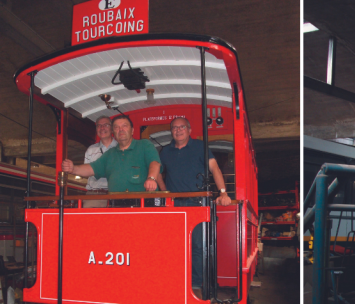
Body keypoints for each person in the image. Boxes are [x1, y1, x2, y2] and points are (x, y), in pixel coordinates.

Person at [159, 117, 231, 289]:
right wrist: (164, 193)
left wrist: (223, 192)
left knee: (198, 245)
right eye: (174, 128)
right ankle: (178, 282)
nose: (178, 130)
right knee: (175, 245)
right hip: (174, 205)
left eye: (182, 127)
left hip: (197, 203)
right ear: (171, 131)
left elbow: (214, 168)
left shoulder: (200, 147)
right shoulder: (165, 151)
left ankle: (198, 285)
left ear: (189, 130)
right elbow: (158, 173)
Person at [62, 115, 161, 195]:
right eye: (116, 127)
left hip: (144, 204)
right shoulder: (110, 154)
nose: (120, 129)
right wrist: (73, 169)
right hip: (116, 205)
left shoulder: (144, 145)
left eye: (124, 126)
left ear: (132, 130)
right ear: (113, 132)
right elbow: (92, 168)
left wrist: (151, 178)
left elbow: (155, 163)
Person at [82, 116, 117, 208]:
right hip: (94, 196)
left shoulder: (120, 148)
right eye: (99, 126)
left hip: (115, 195)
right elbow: (86, 172)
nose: (102, 128)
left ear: (112, 128)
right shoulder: (91, 150)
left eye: (105, 125)